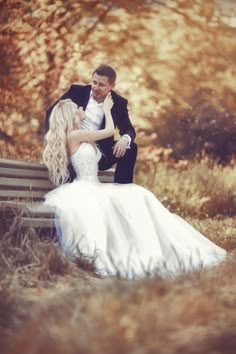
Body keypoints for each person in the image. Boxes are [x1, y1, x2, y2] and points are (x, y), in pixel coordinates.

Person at [43, 95, 227, 279]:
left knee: (140, 195)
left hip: (95, 187)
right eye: (78, 108)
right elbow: (108, 131)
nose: (82, 109)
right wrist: (106, 109)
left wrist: (125, 138)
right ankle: (139, 251)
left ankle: (153, 247)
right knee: (136, 196)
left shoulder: (80, 134)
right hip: (86, 189)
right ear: (71, 115)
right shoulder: (76, 135)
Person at [45, 64, 137, 184]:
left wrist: (125, 138)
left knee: (131, 147)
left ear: (112, 85)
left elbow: (129, 129)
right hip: (74, 149)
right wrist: (59, 140)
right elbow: (52, 112)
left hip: (101, 153)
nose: (96, 87)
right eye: (94, 82)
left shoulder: (119, 103)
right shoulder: (76, 91)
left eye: (101, 85)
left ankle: (123, 189)